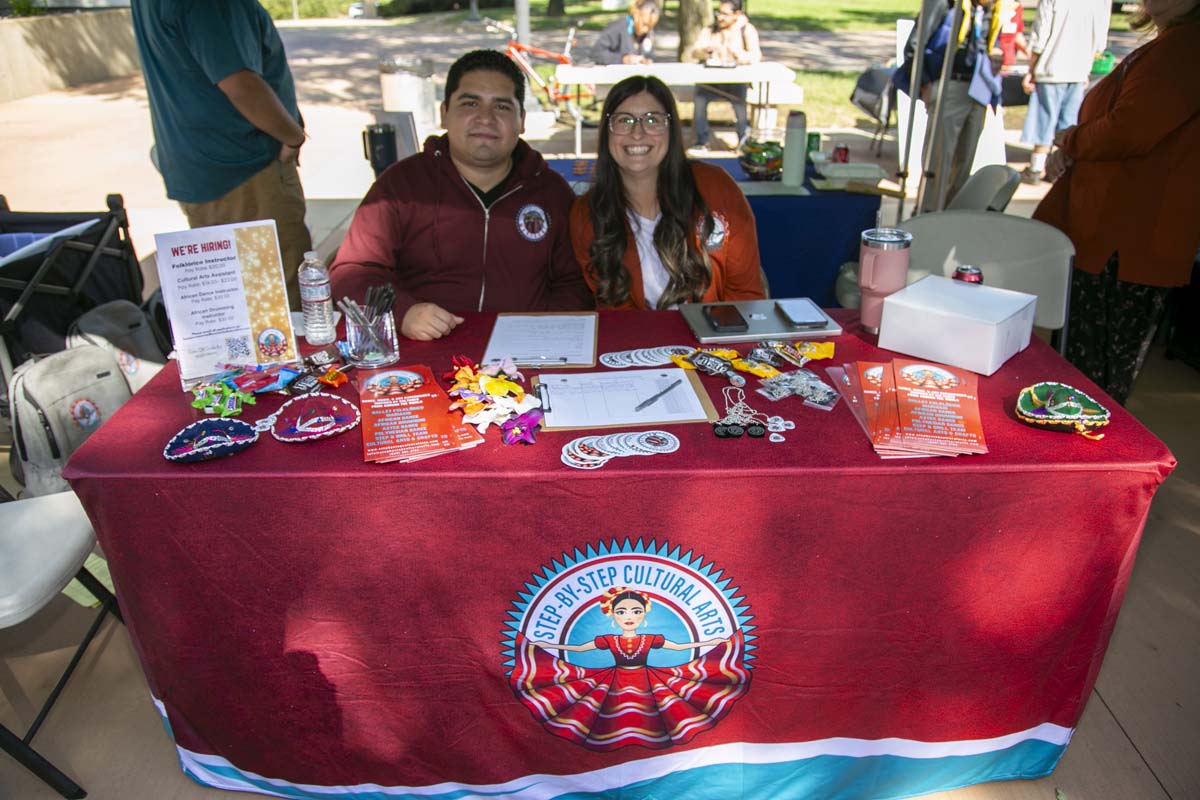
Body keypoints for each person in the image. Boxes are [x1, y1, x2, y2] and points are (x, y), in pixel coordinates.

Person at [330, 50, 594, 341]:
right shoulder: (401, 185)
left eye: (502, 107)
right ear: (444, 113)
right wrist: (403, 313)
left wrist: (545, 331)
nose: (486, 118)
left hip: (526, 351)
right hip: (424, 347)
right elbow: (352, 272)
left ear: (522, 121)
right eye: (470, 103)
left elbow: (574, 283)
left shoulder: (550, 191)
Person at [1033, 0, 1200, 405]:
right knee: (1084, 373)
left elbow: (1129, 130)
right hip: (1111, 236)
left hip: (1126, 242)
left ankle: (1088, 464)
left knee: (1094, 383)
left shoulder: (1185, 47)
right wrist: (1076, 146)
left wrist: (1070, 140)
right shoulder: (1170, 43)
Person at [130, 0, 312, 311]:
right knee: (275, 309)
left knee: (240, 307)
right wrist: (293, 134)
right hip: (244, 170)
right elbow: (238, 82)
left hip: (205, 169)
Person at [569, 76, 766, 310]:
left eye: (652, 120)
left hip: (714, 343)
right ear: (607, 132)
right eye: (624, 120)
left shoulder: (717, 187)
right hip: (638, 344)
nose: (637, 133)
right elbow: (614, 317)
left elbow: (745, 295)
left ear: (671, 129)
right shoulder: (587, 215)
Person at [510, 588, 749, 751]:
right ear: (612, 615)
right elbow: (579, 649)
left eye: (635, 611)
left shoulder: (650, 638)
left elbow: (679, 647)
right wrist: (545, 645)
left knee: (655, 714)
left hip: (648, 680)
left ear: (644, 613)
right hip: (615, 681)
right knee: (607, 716)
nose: (629, 616)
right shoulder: (609, 640)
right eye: (622, 611)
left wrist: (710, 643)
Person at [897, 0, 1003, 212]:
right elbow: (915, 45)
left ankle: (952, 215)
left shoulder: (993, 8)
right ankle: (927, 212)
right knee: (939, 161)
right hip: (949, 84)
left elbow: (990, 42)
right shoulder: (946, 4)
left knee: (965, 161)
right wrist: (925, 84)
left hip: (978, 88)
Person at [1018, 0, 1110, 183]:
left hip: (1051, 66)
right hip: (1079, 68)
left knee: (1044, 118)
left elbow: (1040, 33)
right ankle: (1059, 169)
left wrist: (1032, 68)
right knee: (1068, 124)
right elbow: (1100, 40)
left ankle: (1036, 167)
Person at [688, 0, 763, 152]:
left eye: (725, 14)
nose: (720, 17)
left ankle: (743, 141)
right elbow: (695, 51)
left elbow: (756, 56)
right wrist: (704, 51)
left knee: (740, 104)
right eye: (719, 13)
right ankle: (702, 141)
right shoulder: (711, 30)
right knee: (700, 97)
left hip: (735, 81)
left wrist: (738, 55)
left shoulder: (746, 30)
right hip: (711, 80)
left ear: (737, 14)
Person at [593, 0, 661, 65]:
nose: (646, 30)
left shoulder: (647, 34)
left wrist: (646, 60)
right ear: (636, 14)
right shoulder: (618, 27)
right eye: (644, 24)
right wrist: (623, 59)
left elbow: (649, 54)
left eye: (650, 27)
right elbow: (596, 53)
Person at [995, 0, 1031, 71]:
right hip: (992, 61)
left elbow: (1017, 35)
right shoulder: (994, 5)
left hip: (1008, 63)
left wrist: (1030, 55)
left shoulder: (1017, 7)